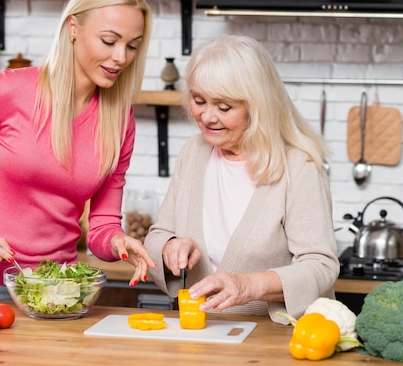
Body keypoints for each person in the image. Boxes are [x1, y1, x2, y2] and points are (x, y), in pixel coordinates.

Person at [0, 0, 156, 300]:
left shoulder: (119, 120)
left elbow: (102, 224)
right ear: (73, 27)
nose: (121, 57)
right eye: (109, 40)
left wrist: (117, 241)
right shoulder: (8, 91)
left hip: (58, 293)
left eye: (132, 46)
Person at [144, 35, 339, 323]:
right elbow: (157, 235)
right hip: (198, 336)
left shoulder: (298, 166)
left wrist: (247, 286)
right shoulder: (194, 151)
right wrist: (169, 246)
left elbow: (320, 265)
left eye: (224, 107)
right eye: (199, 101)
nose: (207, 117)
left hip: (274, 341)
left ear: (257, 106)